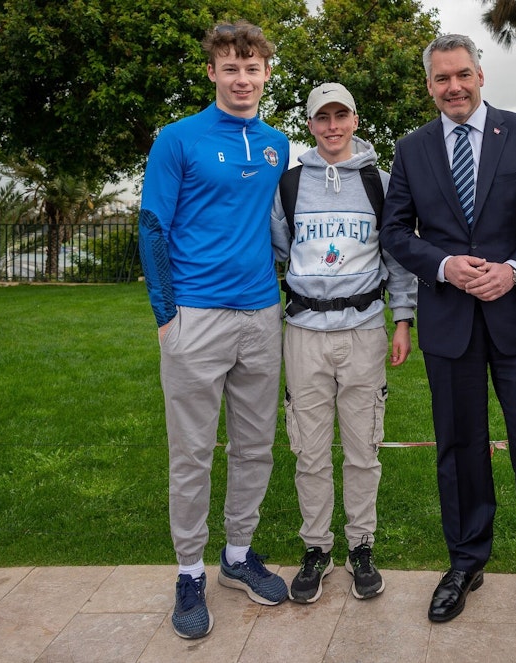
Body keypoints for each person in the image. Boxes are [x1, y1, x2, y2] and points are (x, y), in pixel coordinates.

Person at [379, 34, 516, 637]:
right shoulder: (411, 149)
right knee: (459, 448)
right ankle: (466, 561)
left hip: (515, 318)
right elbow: (395, 230)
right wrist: (442, 265)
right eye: (442, 79)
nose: (453, 87)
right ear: (430, 85)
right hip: (449, 324)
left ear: (481, 75)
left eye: (462, 74)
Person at [138, 20, 290, 640]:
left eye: (252, 68)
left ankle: (236, 557)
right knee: (192, 454)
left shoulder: (278, 143)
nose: (242, 79)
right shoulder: (178, 139)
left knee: (256, 446)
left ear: (266, 74)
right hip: (194, 318)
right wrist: (165, 315)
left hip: (261, 314)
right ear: (212, 73)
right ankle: (188, 572)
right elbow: (152, 225)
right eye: (231, 67)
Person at [269, 83, 417, 604]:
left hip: (363, 331)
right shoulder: (288, 185)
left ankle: (361, 545)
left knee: (362, 448)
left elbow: (397, 258)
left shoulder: (381, 183)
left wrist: (403, 320)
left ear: (355, 119)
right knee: (309, 451)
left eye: (342, 115)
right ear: (310, 124)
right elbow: (279, 252)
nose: (332, 126)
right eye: (322, 117)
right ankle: (316, 548)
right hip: (304, 332)